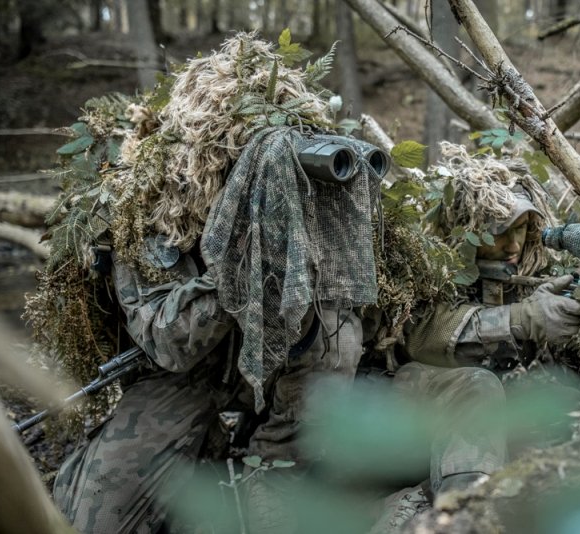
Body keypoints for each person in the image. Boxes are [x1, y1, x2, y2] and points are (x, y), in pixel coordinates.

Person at [52, 126, 385, 533]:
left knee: (337, 338)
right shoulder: (147, 216)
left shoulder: (308, 209)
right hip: (184, 379)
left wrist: (294, 247)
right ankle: (204, 452)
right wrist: (237, 258)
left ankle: (269, 476)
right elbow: (169, 344)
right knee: (96, 521)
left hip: (274, 371)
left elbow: (342, 332)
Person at [368, 143, 580, 532]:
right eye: (501, 233)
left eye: (522, 229)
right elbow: (421, 336)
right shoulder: (428, 264)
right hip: (403, 407)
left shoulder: (518, 270)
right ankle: (464, 515)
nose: (515, 245)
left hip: (471, 420)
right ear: (468, 231)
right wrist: (523, 318)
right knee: (476, 385)